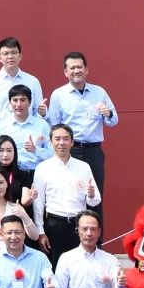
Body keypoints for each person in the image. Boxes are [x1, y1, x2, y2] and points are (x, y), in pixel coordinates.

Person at [46, 52, 118, 203]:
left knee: (95, 195)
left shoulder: (99, 92)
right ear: (65, 72)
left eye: (79, 67)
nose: (76, 71)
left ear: (86, 70)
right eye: (72, 68)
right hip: (70, 151)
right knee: (72, 195)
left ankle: (95, 220)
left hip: (94, 151)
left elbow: (114, 120)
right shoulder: (59, 95)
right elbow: (54, 125)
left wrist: (108, 113)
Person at [33, 126, 101, 265]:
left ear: (72, 142)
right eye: (57, 139)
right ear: (51, 142)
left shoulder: (83, 167)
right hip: (54, 225)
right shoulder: (42, 168)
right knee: (56, 266)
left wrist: (91, 195)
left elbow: (94, 201)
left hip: (78, 225)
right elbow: (38, 203)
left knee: (80, 265)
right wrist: (40, 231)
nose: (61, 143)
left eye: (65, 139)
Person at [0, 36, 46, 158]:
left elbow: (38, 111)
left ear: (20, 56)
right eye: (5, 53)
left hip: (28, 139)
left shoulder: (32, 81)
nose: (10, 56)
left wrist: (42, 113)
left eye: (14, 53)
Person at [0, 166, 44, 266]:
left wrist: (24, 215)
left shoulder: (16, 208)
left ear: (7, 184)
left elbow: (35, 236)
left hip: (16, 264)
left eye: (1, 182)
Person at [0, 85, 52, 187]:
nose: (18, 104)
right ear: (10, 102)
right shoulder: (3, 126)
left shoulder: (42, 125)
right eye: (15, 100)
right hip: (11, 175)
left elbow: (52, 154)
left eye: (23, 100)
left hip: (36, 174)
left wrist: (36, 150)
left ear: (30, 102)